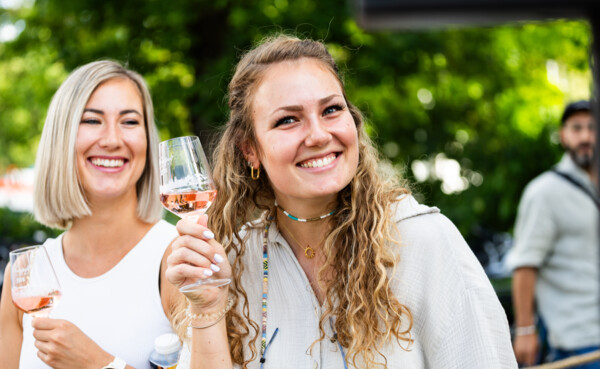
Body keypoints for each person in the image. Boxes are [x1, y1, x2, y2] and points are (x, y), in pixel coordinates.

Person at [165, 34, 518, 369]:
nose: (319, 135)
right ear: (250, 150)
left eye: (331, 110)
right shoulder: (237, 260)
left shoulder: (424, 242)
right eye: (288, 120)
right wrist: (208, 308)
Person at [0, 60, 181, 368]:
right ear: (62, 137)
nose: (112, 139)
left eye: (129, 122)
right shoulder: (27, 274)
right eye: (92, 120)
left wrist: (99, 364)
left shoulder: (177, 258)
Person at [506, 100, 599, 367]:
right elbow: (525, 264)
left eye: (592, 128)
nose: (585, 136)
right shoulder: (544, 192)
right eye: (576, 128)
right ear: (563, 135)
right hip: (580, 343)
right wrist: (525, 331)